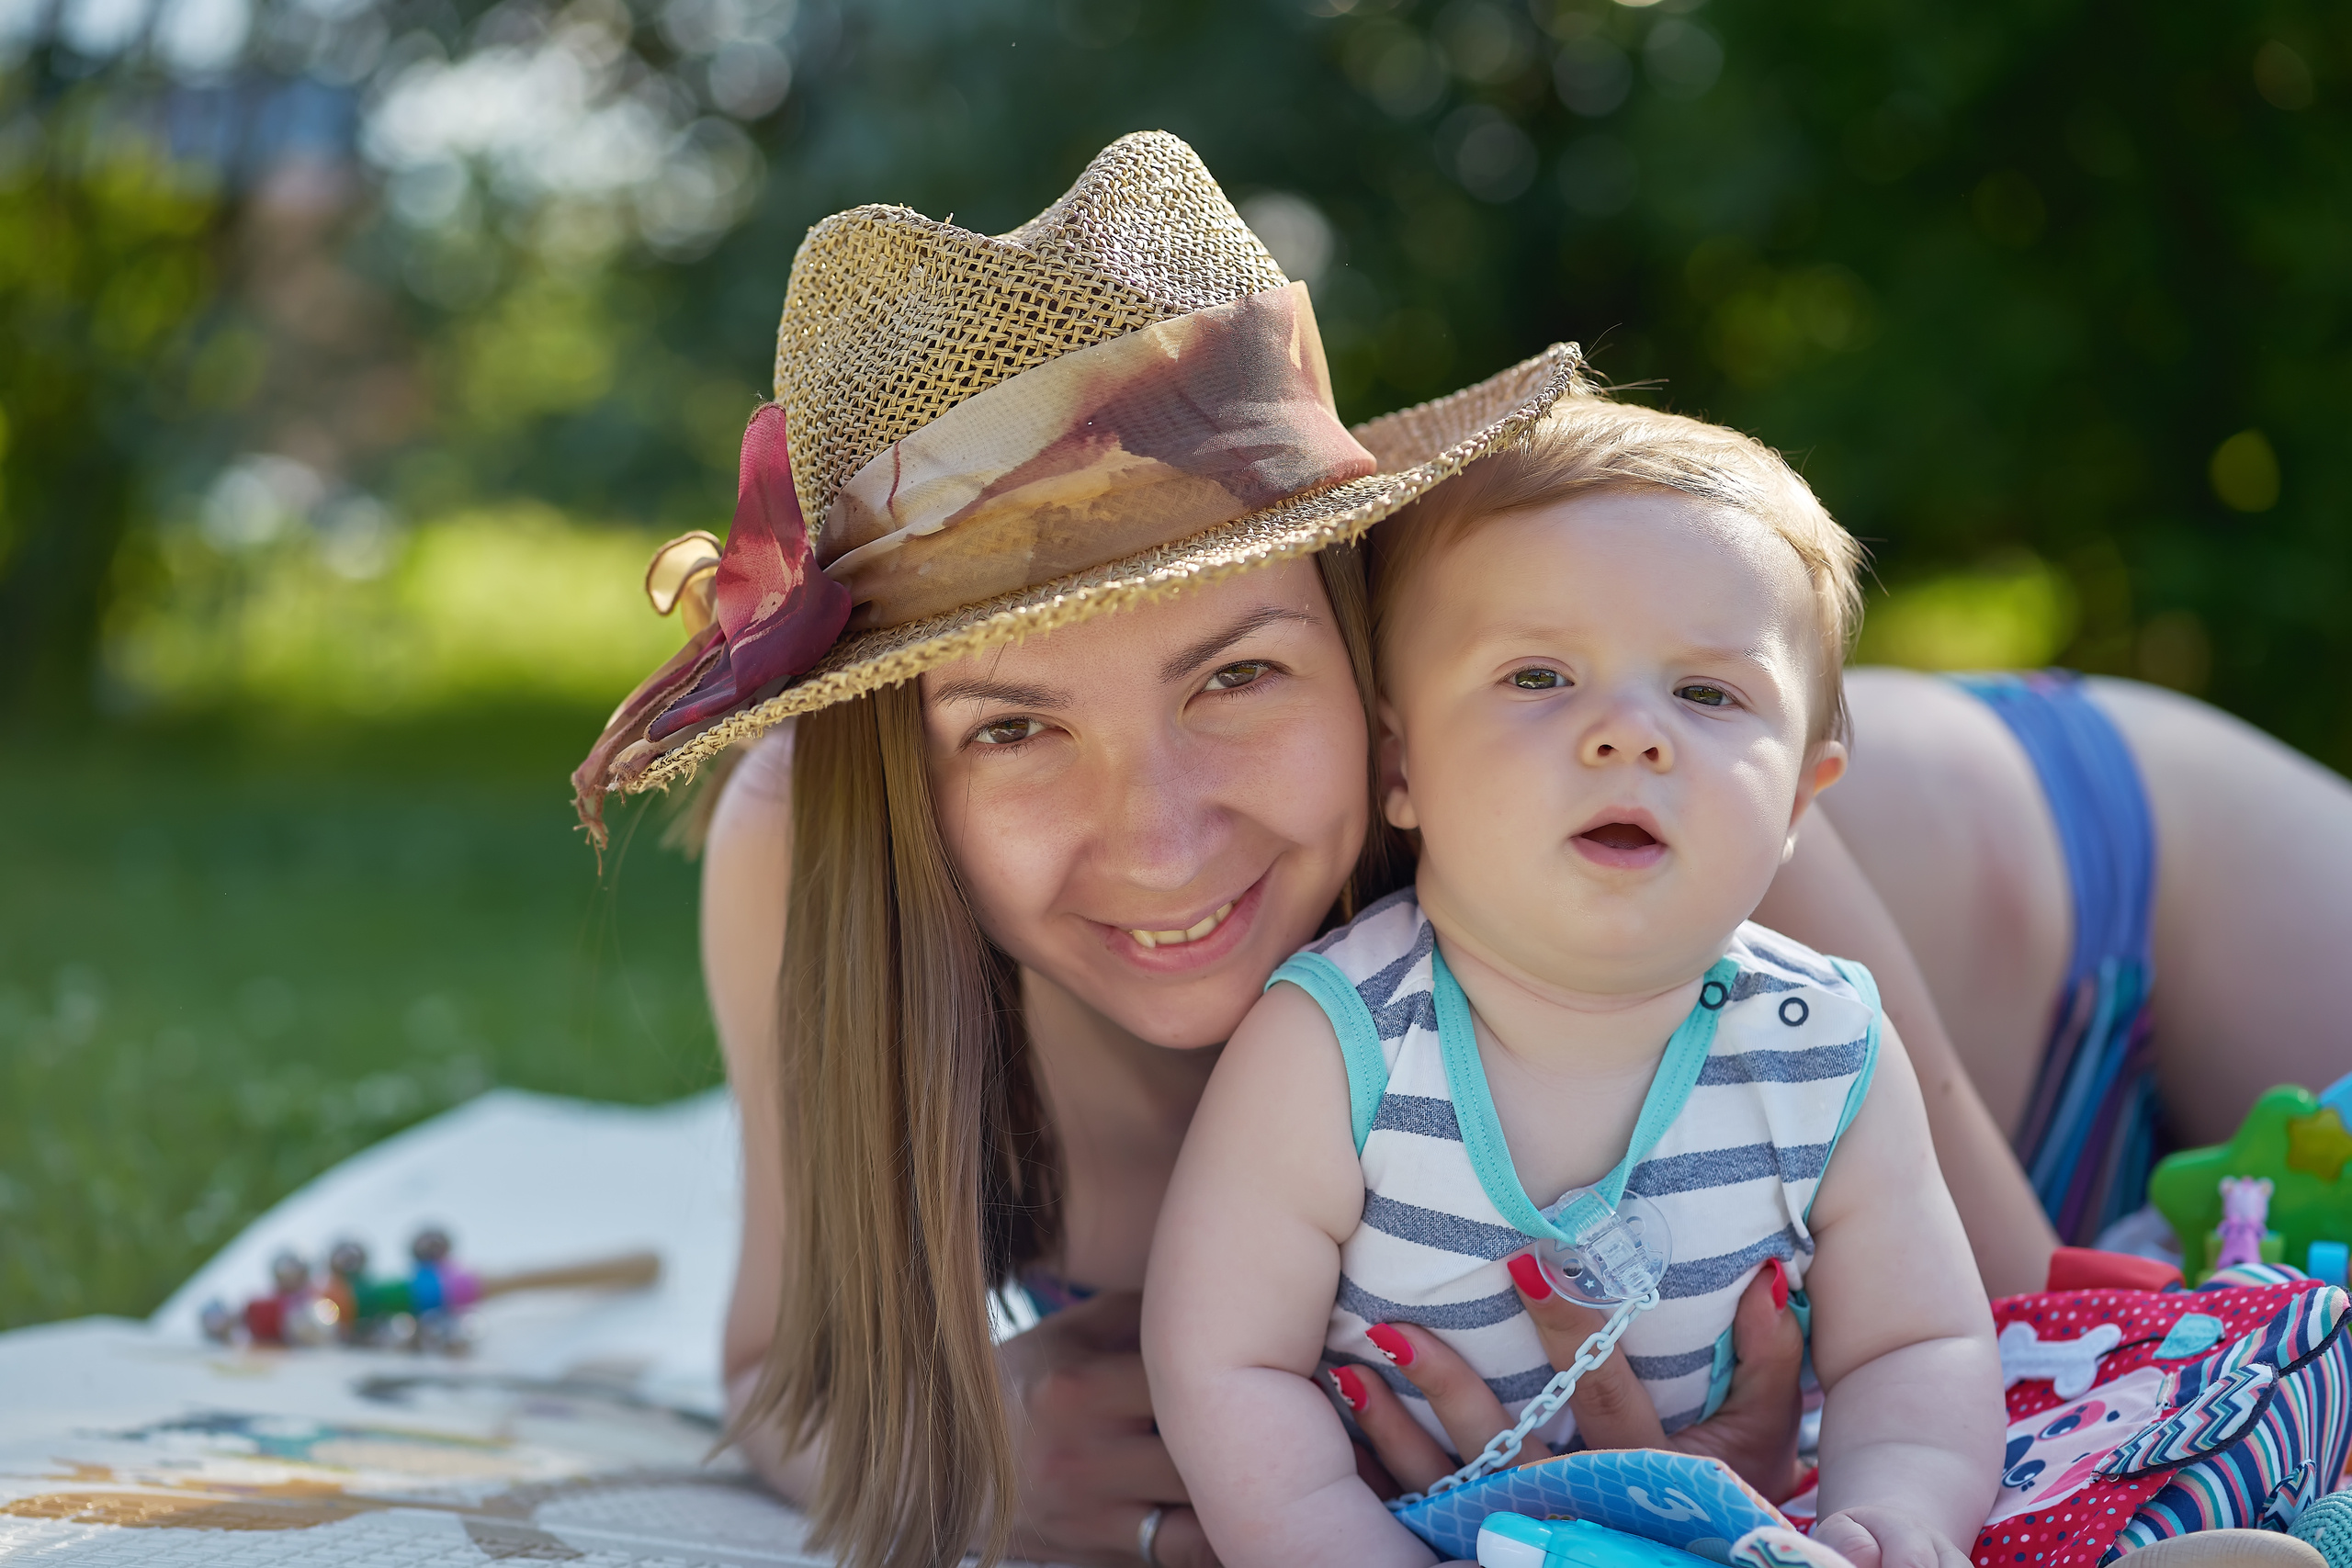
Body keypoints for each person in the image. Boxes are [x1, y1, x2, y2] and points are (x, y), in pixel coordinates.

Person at [1146, 400, 2002, 1568]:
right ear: (1399, 768)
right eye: (1539, 676)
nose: (1629, 735)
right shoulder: (1335, 1041)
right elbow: (1224, 1361)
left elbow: (1915, 1345)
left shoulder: (1822, 1045)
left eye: (1706, 695)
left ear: (1801, 798)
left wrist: (1901, 1510)